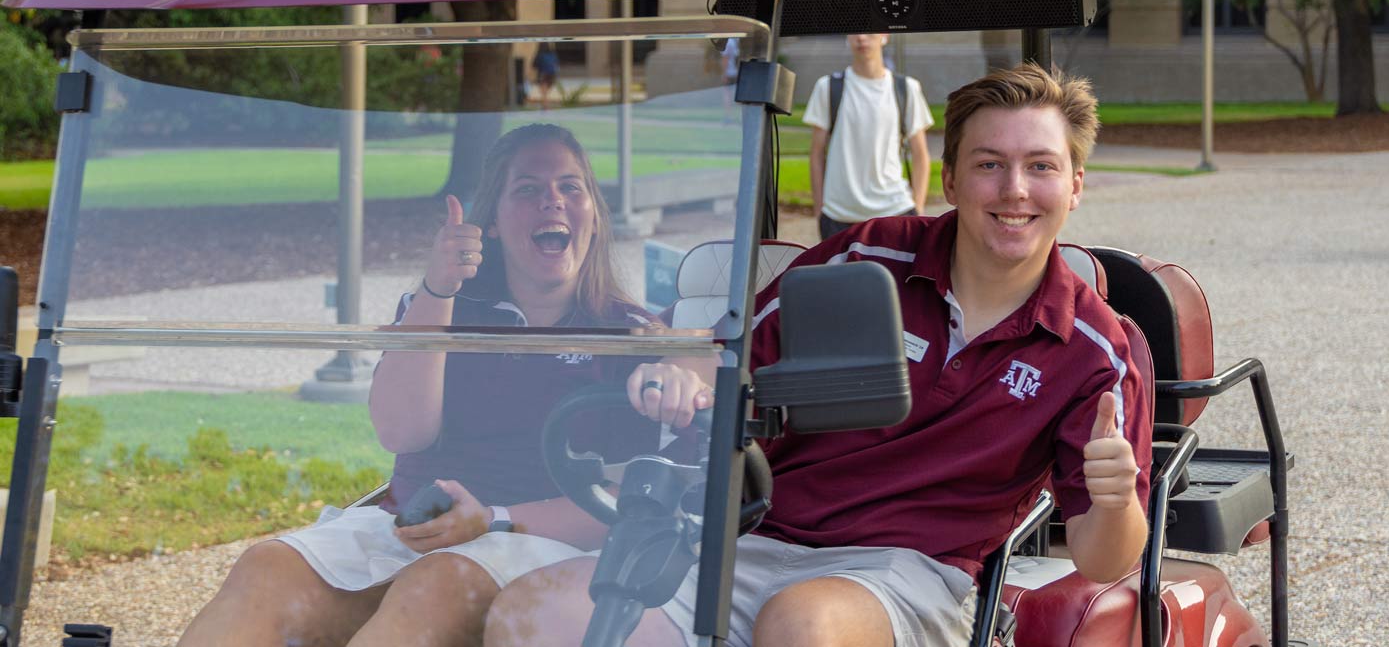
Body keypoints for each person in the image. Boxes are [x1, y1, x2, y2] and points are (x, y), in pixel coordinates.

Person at [483, 64, 1152, 647]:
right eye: (988, 164)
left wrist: (1116, 499)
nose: (1014, 189)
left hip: (908, 571)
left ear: (1075, 186)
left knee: (801, 624)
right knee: (535, 614)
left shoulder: (1093, 350)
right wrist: (680, 373)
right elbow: (732, 354)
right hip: (753, 538)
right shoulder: (867, 257)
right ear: (948, 179)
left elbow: (1103, 557)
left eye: (1041, 166)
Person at [178, 123, 709, 647]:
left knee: (438, 584)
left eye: (571, 187)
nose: (553, 202)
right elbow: (402, 431)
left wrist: (492, 521)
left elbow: (631, 506)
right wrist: (439, 289)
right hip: (412, 527)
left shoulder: (632, 336)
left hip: (534, 540)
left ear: (593, 214)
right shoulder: (444, 307)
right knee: (269, 564)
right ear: (493, 223)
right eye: (528, 189)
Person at [806, 33, 935, 239]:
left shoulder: (906, 88)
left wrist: (918, 207)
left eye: (870, 31)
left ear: (885, 35)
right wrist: (819, 209)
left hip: (895, 211)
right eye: (855, 31)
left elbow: (921, 154)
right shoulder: (828, 87)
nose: (862, 38)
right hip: (839, 216)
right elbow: (816, 154)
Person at [532, 42, 561, 109]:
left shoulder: (540, 55)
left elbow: (534, 66)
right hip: (552, 74)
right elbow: (557, 64)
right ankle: (545, 104)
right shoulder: (553, 54)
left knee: (543, 92)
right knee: (545, 92)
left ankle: (545, 106)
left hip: (543, 74)